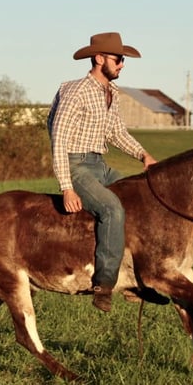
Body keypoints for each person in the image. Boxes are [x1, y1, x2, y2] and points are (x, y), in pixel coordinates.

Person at [47, 32, 157, 313]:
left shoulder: (110, 93)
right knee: (112, 209)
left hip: (99, 164)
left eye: (123, 60)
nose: (122, 64)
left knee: (142, 198)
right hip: (76, 165)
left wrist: (143, 155)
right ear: (99, 58)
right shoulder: (76, 91)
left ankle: (139, 281)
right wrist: (67, 186)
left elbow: (117, 133)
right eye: (118, 59)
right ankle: (104, 284)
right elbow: (58, 137)